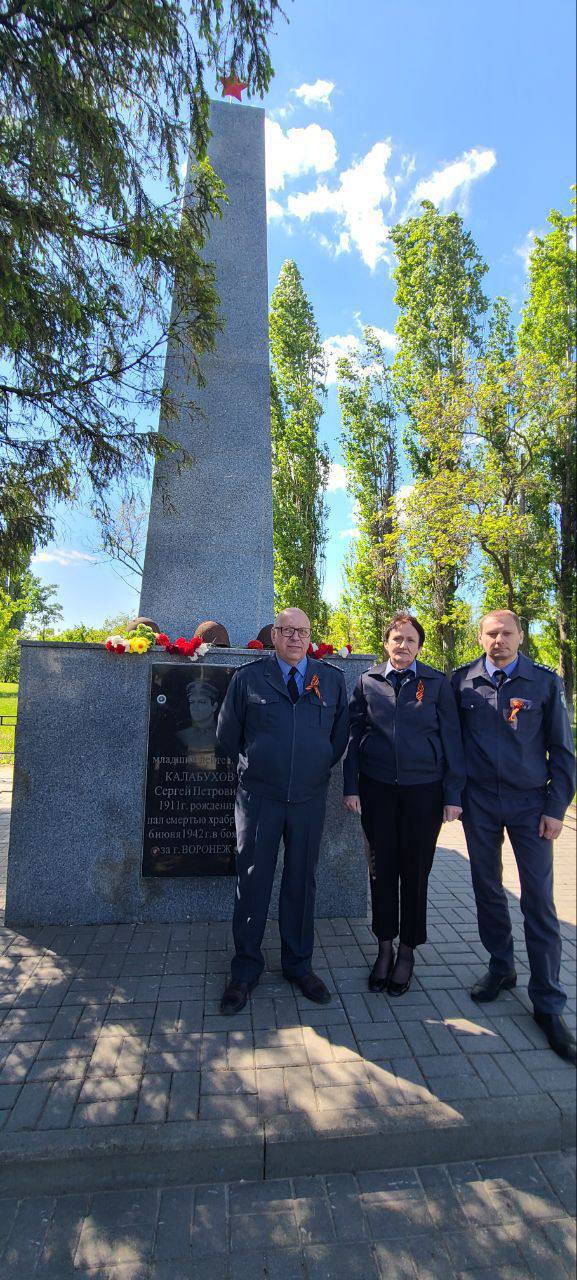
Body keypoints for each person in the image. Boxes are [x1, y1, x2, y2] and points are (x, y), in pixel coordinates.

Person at [451, 609, 576, 1062]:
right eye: (490, 633)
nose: (498, 640)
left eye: (506, 632)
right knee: (486, 889)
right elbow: (452, 744)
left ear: (521, 635)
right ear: (480, 637)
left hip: (530, 806)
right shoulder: (461, 682)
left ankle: (548, 1003)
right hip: (480, 803)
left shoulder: (543, 683)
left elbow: (563, 751)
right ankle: (501, 966)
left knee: (539, 902)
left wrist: (556, 808)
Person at [216, 607, 350, 1014]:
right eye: (287, 631)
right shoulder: (248, 678)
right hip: (259, 800)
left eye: (302, 631)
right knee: (253, 882)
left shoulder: (330, 679)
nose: (295, 638)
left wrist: (312, 765)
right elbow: (227, 735)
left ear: (311, 637)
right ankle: (245, 970)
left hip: (308, 799)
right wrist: (258, 766)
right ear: (274, 635)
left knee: (300, 883)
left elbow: (339, 737)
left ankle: (298, 964)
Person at [343, 612, 465, 996]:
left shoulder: (437, 684)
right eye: (397, 638)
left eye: (411, 640)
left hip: (423, 793)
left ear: (419, 646)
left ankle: (408, 952)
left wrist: (452, 795)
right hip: (377, 790)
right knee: (381, 870)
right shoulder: (367, 682)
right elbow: (353, 737)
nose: (403, 645)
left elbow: (452, 741)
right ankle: (384, 948)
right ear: (386, 643)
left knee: (415, 872)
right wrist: (351, 787)